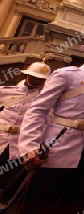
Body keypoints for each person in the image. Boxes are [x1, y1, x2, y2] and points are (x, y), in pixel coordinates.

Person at [18, 35, 84, 213]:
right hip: (57, 146)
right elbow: (38, 110)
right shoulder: (66, 74)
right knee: (41, 202)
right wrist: (29, 148)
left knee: (80, 201)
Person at [0, 61, 51, 207]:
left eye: (41, 79)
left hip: (20, 145)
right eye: (34, 76)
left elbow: (46, 124)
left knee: (9, 180)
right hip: (1, 138)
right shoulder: (5, 91)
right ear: (26, 75)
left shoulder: (44, 100)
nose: (36, 80)